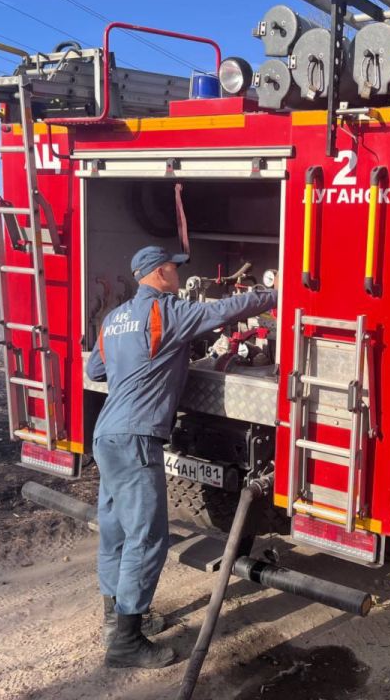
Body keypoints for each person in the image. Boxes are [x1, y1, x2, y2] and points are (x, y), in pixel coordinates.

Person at [85, 245, 278, 669]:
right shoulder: (167, 313)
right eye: (173, 267)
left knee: (114, 530)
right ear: (158, 273)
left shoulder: (114, 318)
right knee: (146, 538)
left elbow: (95, 371)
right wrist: (275, 295)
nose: (177, 272)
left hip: (107, 436)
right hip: (137, 439)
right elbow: (227, 310)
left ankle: (114, 621)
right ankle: (127, 643)